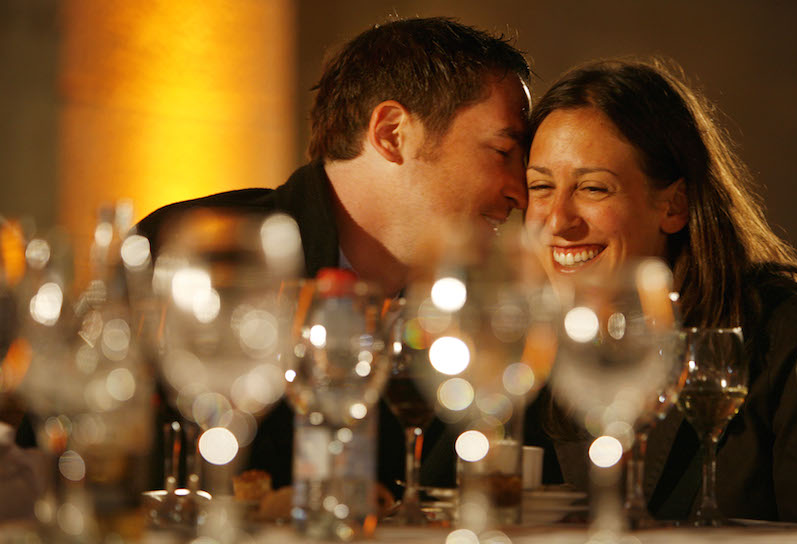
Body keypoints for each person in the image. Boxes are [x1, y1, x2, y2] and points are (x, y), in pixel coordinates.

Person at [135, 17, 532, 495]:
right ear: (391, 133)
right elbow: (96, 460)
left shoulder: (469, 305)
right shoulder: (200, 252)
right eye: (503, 151)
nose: (522, 193)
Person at [523, 57, 797, 524]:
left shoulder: (783, 336)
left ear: (673, 206)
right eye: (540, 186)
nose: (558, 220)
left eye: (593, 188)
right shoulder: (520, 346)